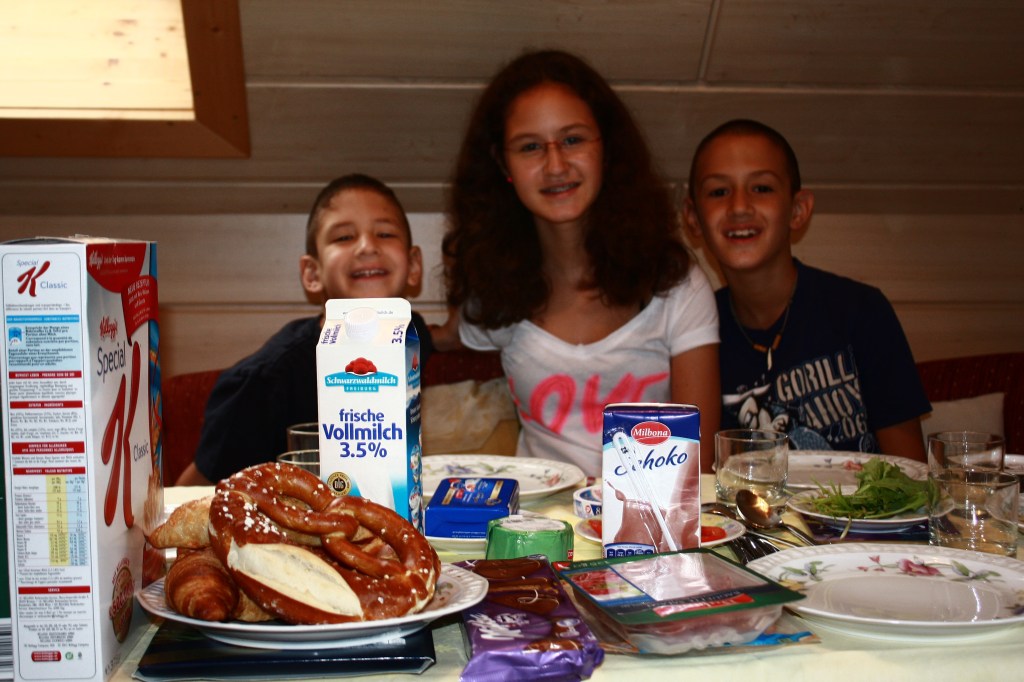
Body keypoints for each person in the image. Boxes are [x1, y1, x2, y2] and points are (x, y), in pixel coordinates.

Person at [438, 50, 720, 476]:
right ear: (503, 163)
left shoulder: (675, 284)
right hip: (532, 515)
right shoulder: (492, 289)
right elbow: (446, 337)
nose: (555, 165)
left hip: (648, 515)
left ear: (606, 147)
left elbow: (699, 465)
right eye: (530, 147)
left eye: (572, 140)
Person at [682, 119, 930, 461]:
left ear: (798, 210)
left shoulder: (861, 311)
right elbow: (696, 473)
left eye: (762, 188)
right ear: (693, 218)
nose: (739, 207)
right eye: (719, 192)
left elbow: (911, 470)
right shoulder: (691, 331)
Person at [175, 174, 434, 485]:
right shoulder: (267, 381)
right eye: (344, 237)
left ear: (414, 265)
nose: (367, 246)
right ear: (312, 273)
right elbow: (191, 489)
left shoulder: (411, 337)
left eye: (384, 233)